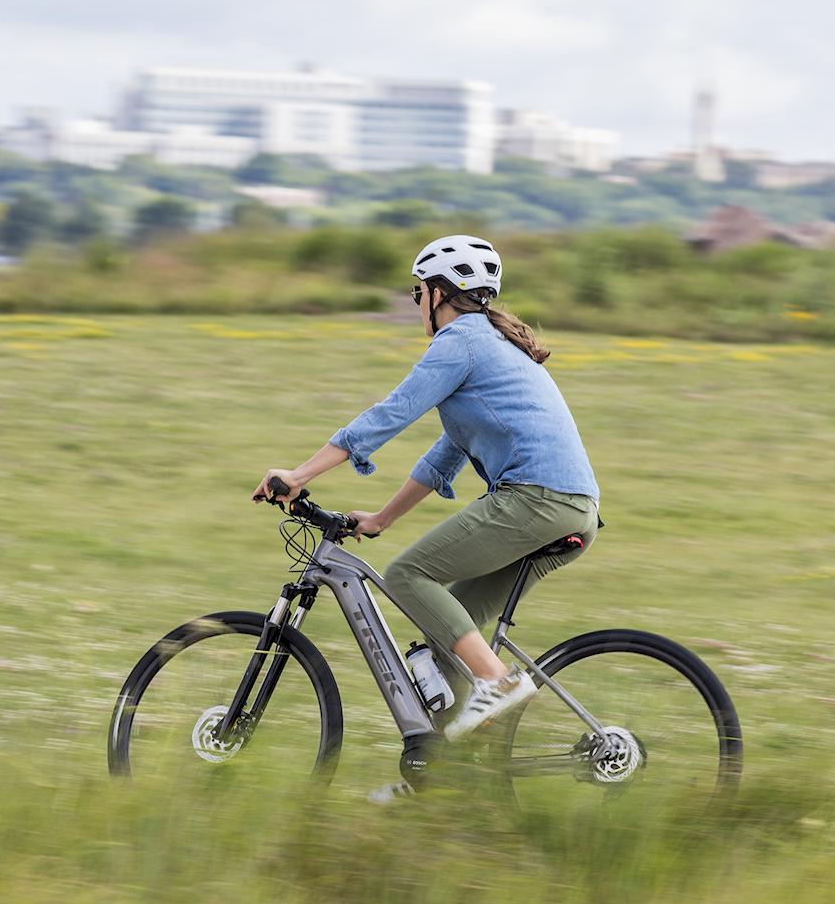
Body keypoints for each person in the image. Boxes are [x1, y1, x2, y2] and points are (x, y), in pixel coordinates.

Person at [251, 234, 600, 790]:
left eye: (418, 291)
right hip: (570, 510)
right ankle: (435, 783)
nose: (416, 302)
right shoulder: (490, 344)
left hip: (535, 499)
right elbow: (447, 451)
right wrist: (383, 519)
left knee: (409, 576)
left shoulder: (461, 342)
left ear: (438, 293)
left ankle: (499, 683)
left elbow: (391, 414)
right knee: (444, 639)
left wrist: (299, 474)